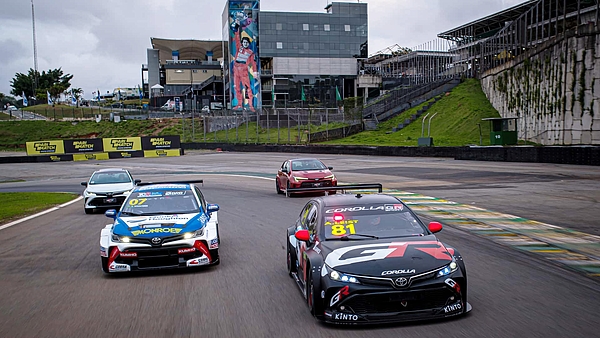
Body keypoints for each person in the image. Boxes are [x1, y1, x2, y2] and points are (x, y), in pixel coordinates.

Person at [231, 14, 257, 112]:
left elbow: (253, 63)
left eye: (246, 43)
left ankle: (250, 105)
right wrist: (237, 26)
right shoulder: (239, 48)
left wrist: (255, 72)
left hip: (244, 70)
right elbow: (237, 38)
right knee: (237, 87)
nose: (245, 44)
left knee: (247, 88)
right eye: (244, 42)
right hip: (236, 68)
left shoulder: (250, 52)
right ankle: (239, 104)